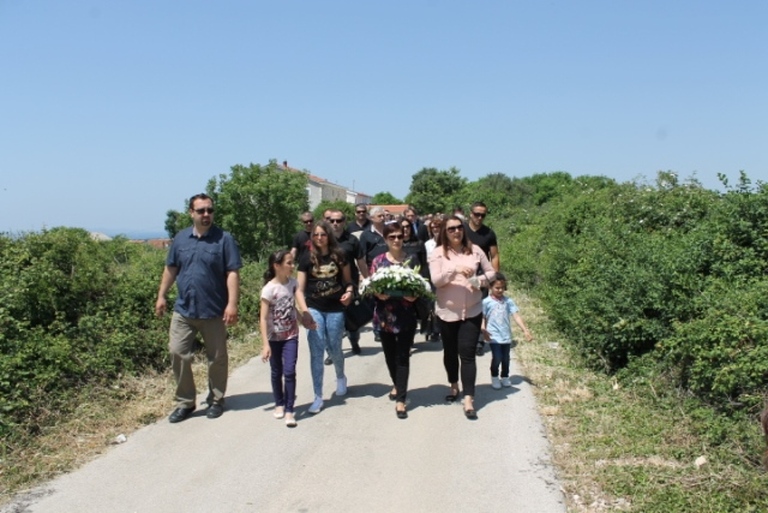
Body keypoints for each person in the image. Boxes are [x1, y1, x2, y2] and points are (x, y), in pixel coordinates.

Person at [155, 193, 242, 423]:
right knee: (177, 352)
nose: (206, 215)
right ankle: (186, 402)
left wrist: (232, 304)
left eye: (210, 210)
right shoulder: (181, 239)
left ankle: (216, 399)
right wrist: (161, 295)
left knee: (217, 358)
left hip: (213, 310)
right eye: (201, 210)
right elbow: (171, 268)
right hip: (184, 309)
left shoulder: (224, 239)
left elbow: (232, 272)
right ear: (191, 213)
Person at [428, 215, 495, 420]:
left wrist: (480, 280)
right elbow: (436, 281)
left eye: (459, 227)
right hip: (447, 313)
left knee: (467, 354)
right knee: (450, 353)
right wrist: (454, 269)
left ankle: (468, 398)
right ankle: (453, 385)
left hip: (472, 311)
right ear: (444, 233)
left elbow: (492, 272)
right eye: (451, 229)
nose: (456, 231)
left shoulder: (475, 250)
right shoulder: (438, 254)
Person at [297, 221, 354, 414]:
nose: (319, 238)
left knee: (335, 346)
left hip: (336, 308)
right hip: (314, 308)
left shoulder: (339, 256)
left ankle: (340, 376)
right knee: (316, 350)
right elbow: (299, 289)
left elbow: (348, 281)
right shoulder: (306, 258)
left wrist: (350, 291)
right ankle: (318, 396)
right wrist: (304, 312)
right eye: (316, 235)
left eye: (322, 234)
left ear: (329, 235)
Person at [259, 250, 316, 427]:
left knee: (289, 371)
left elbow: (294, 305)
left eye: (293, 263)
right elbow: (262, 318)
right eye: (289, 263)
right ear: (277, 266)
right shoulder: (269, 289)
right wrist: (265, 344)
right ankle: (279, 403)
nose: (292, 266)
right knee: (277, 372)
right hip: (274, 337)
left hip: (291, 335)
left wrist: (304, 317)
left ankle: (290, 410)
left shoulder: (293, 284)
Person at [369, 222, 419, 419]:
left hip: (406, 316)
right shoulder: (378, 261)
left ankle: (401, 400)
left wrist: (415, 295)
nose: (397, 240)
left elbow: (420, 284)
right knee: (390, 357)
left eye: (399, 236)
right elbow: (371, 285)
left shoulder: (411, 260)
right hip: (384, 317)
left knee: (403, 357)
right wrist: (377, 293)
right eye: (392, 237)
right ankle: (398, 385)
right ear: (386, 239)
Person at [481, 273, 533, 389]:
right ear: (490, 287)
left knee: (505, 358)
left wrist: (525, 330)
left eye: (502, 288)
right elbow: (482, 317)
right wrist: (483, 329)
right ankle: (494, 377)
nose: (500, 290)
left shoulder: (508, 301)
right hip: (493, 335)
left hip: (506, 335)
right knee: (497, 357)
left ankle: (505, 376)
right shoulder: (486, 302)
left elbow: (516, 316)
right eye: (497, 288)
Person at [326, 209, 364, 363]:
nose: (335, 223)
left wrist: (367, 280)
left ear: (344, 221)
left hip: (349, 284)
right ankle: (332, 352)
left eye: (339, 220)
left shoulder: (352, 240)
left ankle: (354, 341)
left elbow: (360, 261)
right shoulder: (322, 240)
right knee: (330, 323)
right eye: (332, 220)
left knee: (351, 320)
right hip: (328, 286)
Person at [464, 201, 500, 357]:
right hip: (463, 273)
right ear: (470, 213)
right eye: (477, 214)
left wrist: (494, 278)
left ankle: (478, 342)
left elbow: (495, 255)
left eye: (483, 215)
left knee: (480, 308)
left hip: (482, 275)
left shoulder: (489, 233)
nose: (479, 217)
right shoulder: (461, 230)